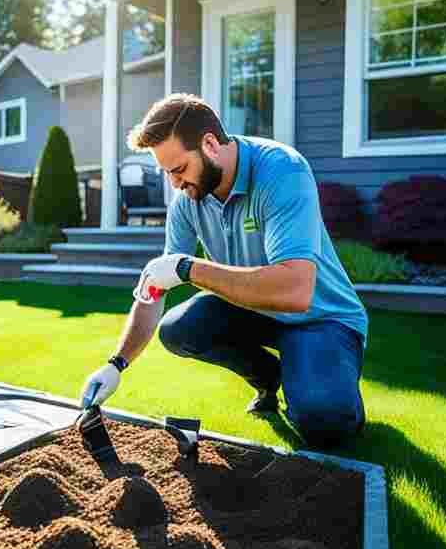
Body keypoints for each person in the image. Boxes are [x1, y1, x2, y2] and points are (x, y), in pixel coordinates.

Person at [79, 93, 369, 448]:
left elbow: (296, 290)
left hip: (319, 318)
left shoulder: (282, 172)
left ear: (210, 144)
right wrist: (116, 364)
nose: (174, 184)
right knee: (179, 328)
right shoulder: (189, 200)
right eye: (167, 173)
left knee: (323, 419)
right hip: (253, 312)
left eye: (179, 169)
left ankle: (320, 377)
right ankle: (269, 378)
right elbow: (155, 285)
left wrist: (189, 268)